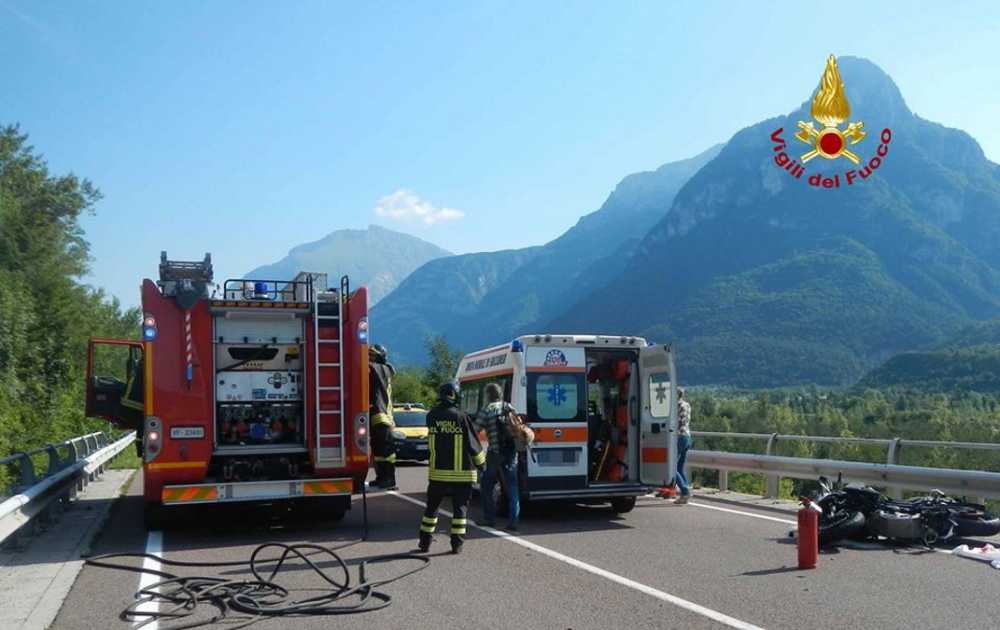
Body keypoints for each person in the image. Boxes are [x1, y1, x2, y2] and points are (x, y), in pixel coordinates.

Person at [419, 381, 487, 554]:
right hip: (461, 474)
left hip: (437, 473)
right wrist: (482, 464)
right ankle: (456, 544)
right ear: (455, 395)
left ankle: (424, 542)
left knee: (431, 509)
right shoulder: (460, 416)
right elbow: (473, 443)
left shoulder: (431, 416)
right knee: (460, 511)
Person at [475, 383, 520, 530]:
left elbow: (476, 429)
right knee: (512, 487)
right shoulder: (509, 407)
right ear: (500, 394)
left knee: (486, 485)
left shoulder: (487, 410)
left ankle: (489, 518)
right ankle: (514, 521)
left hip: (495, 452)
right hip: (511, 453)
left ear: (488, 395)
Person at [368, 344, 398, 490]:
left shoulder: (381, 369)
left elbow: (368, 366)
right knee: (379, 452)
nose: (369, 358)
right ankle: (381, 478)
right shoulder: (383, 369)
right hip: (379, 416)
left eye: (372, 355)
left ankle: (389, 480)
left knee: (386, 453)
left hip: (382, 416)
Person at [674, 387, 693, 505]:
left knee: (671, 468)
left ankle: (685, 491)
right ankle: (685, 492)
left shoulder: (676, 406)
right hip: (687, 436)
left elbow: (675, 422)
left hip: (679, 437)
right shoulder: (687, 405)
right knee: (680, 467)